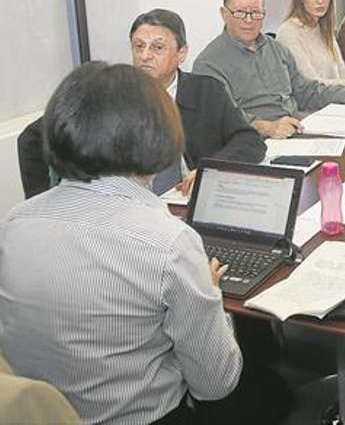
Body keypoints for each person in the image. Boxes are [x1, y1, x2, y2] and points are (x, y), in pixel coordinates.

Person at [0, 62, 244, 424]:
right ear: (157, 134)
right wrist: (210, 298)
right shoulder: (170, 243)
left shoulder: (12, 225)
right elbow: (215, 383)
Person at [17, 8, 267, 198]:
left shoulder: (205, 90)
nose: (145, 56)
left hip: (190, 201)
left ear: (181, 54)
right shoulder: (113, 93)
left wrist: (209, 170)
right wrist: (44, 202)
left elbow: (249, 141)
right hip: (132, 208)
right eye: (139, 46)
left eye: (157, 47)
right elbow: (31, 138)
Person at [193, 0, 345, 139]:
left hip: (298, 129)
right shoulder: (209, 63)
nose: (249, 20)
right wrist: (268, 127)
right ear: (224, 14)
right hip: (255, 141)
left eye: (256, 13)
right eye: (241, 13)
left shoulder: (276, 49)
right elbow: (223, 116)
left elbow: (306, 90)